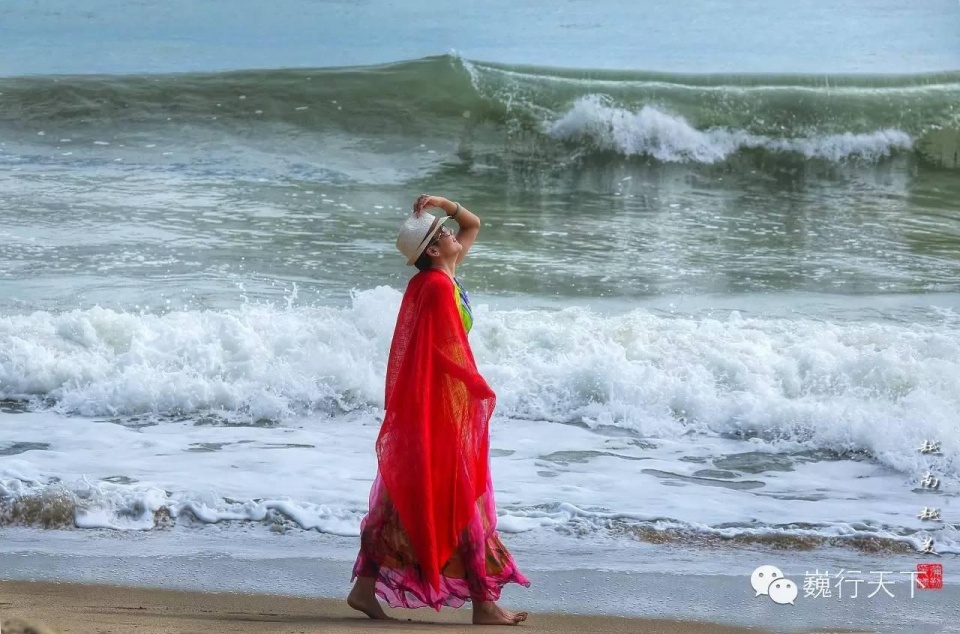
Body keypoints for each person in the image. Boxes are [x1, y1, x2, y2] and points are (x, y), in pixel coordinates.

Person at [347, 194, 530, 625]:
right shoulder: (434, 287)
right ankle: (484, 603)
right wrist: (477, 385)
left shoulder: (446, 276)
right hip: (435, 412)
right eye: (441, 232)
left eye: (444, 229)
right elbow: (441, 351)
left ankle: (362, 588)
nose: (450, 233)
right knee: (460, 500)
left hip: (434, 408)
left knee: (402, 502)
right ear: (432, 249)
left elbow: (473, 224)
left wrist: (446, 203)